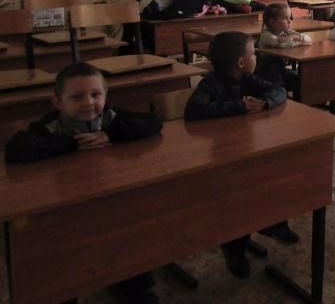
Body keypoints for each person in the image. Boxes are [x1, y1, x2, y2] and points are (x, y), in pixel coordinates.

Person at [5, 62, 162, 304]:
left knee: (129, 229)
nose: (89, 103)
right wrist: (71, 144)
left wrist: (111, 134)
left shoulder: (110, 116)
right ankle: (63, 293)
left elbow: (152, 123)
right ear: (58, 102)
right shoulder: (51, 126)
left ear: (105, 96)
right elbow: (16, 149)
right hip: (66, 203)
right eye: (77, 97)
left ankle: (135, 285)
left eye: (96, 95)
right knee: (63, 249)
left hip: (109, 194)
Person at [185, 31, 297, 279]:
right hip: (221, 156)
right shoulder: (211, 83)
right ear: (240, 62)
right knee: (236, 197)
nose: (256, 57)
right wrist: (240, 107)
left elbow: (278, 90)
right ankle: (234, 247)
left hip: (246, 147)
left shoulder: (246, 79)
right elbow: (194, 110)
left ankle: (271, 222)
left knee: (269, 179)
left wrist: (265, 103)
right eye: (253, 53)